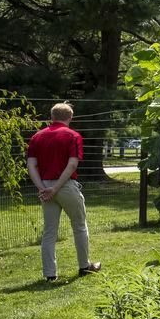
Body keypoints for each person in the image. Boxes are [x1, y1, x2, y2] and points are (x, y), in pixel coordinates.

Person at [26, 102, 101, 282]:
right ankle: (85, 266)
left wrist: (42, 187)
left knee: (50, 230)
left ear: (51, 117)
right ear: (70, 118)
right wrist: (57, 187)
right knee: (79, 225)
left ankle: (50, 273)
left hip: (45, 186)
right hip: (65, 185)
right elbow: (72, 164)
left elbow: (31, 165)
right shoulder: (72, 135)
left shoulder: (37, 137)